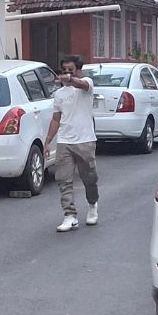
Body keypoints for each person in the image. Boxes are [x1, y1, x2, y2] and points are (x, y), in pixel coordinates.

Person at [46, 54, 99, 232]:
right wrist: (47, 142)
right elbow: (55, 119)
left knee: (89, 178)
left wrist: (71, 80)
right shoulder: (58, 94)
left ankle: (92, 205)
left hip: (85, 140)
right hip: (64, 141)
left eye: (71, 70)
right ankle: (70, 215)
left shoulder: (86, 84)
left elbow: (81, 84)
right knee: (63, 179)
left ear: (78, 70)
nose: (67, 73)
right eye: (64, 70)